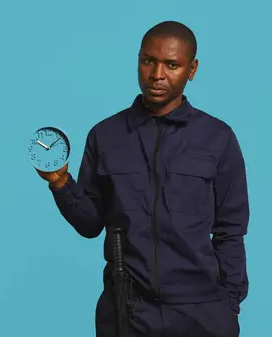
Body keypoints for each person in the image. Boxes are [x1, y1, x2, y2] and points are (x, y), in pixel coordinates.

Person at [36, 20, 249, 337]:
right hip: (128, 312)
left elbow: (230, 230)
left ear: (192, 70)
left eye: (172, 65)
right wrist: (60, 183)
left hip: (202, 312)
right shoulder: (105, 135)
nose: (157, 74)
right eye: (149, 61)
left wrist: (230, 305)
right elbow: (90, 224)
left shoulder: (217, 138)